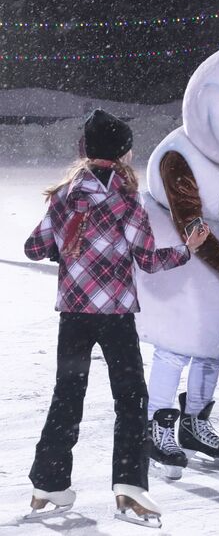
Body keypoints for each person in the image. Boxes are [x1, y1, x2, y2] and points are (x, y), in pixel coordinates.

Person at [24, 109, 209, 525]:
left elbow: (34, 248)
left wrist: (69, 249)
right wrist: (187, 249)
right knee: (130, 399)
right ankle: (129, 487)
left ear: (85, 151)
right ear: (124, 154)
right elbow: (146, 259)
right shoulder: (127, 202)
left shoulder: (63, 198)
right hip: (116, 316)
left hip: (73, 314)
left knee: (67, 396)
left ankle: (49, 482)